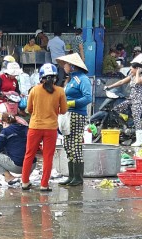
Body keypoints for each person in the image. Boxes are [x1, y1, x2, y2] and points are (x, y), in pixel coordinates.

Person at [20, 63, 68, 191]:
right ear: (55, 78)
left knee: (29, 154)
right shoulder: (60, 91)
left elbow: (29, 109)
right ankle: (44, 185)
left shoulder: (34, 90)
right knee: (48, 157)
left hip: (35, 127)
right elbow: (63, 110)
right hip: (51, 129)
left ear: (41, 77)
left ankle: (25, 182)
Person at [55, 53, 92, 186]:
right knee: (68, 145)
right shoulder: (71, 80)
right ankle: (71, 176)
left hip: (76, 115)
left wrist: (71, 103)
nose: (63, 66)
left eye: (65, 64)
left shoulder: (82, 79)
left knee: (76, 146)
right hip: (66, 115)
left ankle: (78, 178)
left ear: (72, 66)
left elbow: (88, 98)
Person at [103, 55, 142, 147]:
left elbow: (137, 82)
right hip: (131, 99)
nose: (130, 70)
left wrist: (138, 73)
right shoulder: (132, 75)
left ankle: (139, 141)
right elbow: (122, 82)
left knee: (136, 117)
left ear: (137, 69)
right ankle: (127, 128)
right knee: (116, 109)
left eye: (132, 68)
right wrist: (110, 87)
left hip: (139, 101)